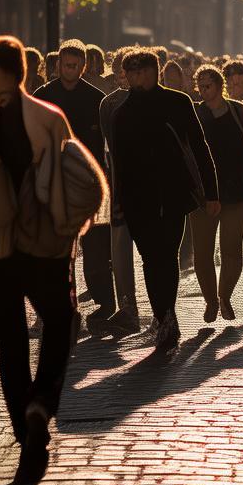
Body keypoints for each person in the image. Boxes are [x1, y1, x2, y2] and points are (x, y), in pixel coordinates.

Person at [0, 36, 86, 484]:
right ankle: (40, 403)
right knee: (59, 319)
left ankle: (26, 432)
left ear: (5, 72)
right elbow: (70, 182)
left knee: (11, 338)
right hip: (42, 243)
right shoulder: (49, 118)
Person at [111, 50, 219, 355]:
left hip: (173, 194)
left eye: (141, 73)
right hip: (137, 199)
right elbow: (118, 163)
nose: (135, 79)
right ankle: (162, 316)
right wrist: (118, 201)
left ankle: (167, 317)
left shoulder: (177, 103)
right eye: (130, 74)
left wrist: (211, 192)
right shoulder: (121, 113)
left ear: (154, 72)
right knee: (149, 258)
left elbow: (199, 147)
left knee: (167, 256)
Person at [33, 39, 114, 328]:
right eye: (67, 65)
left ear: (84, 66)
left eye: (77, 65)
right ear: (57, 66)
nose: (71, 69)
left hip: (89, 181)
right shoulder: (43, 96)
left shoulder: (95, 99)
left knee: (95, 248)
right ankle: (65, 305)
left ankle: (106, 303)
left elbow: (106, 142)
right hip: (53, 180)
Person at [191, 65, 243, 321]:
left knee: (232, 249)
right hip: (204, 192)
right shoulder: (196, 113)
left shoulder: (238, 110)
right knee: (203, 252)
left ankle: (225, 297)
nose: (203, 90)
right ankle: (210, 301)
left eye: (207, 85)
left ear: (219, 86)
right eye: (200, 86)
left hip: (237, 188)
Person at [98, 47, 140, 335]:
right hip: (119, 184)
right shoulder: (108, 104)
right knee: (120, 248)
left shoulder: (152, 100)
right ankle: (128, 307)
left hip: (148, 185)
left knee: (153, 252)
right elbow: (107, 148)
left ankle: (163, 308)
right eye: (121, 70)